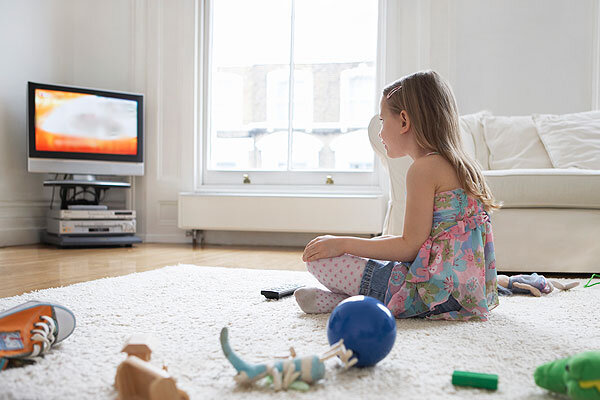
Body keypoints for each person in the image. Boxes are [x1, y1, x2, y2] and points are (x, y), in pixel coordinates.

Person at [295, 70, 501, 321]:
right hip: (465, 293)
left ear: (404, 121)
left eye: (383, 121)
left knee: (319, 262)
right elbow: (427, 242)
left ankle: (360, 302)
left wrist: (343, 243)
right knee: (376, 254)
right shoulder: (464, 165)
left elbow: (409, 247)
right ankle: (344, 302)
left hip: (433, 295)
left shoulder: (423, 170)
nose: (380, 132)